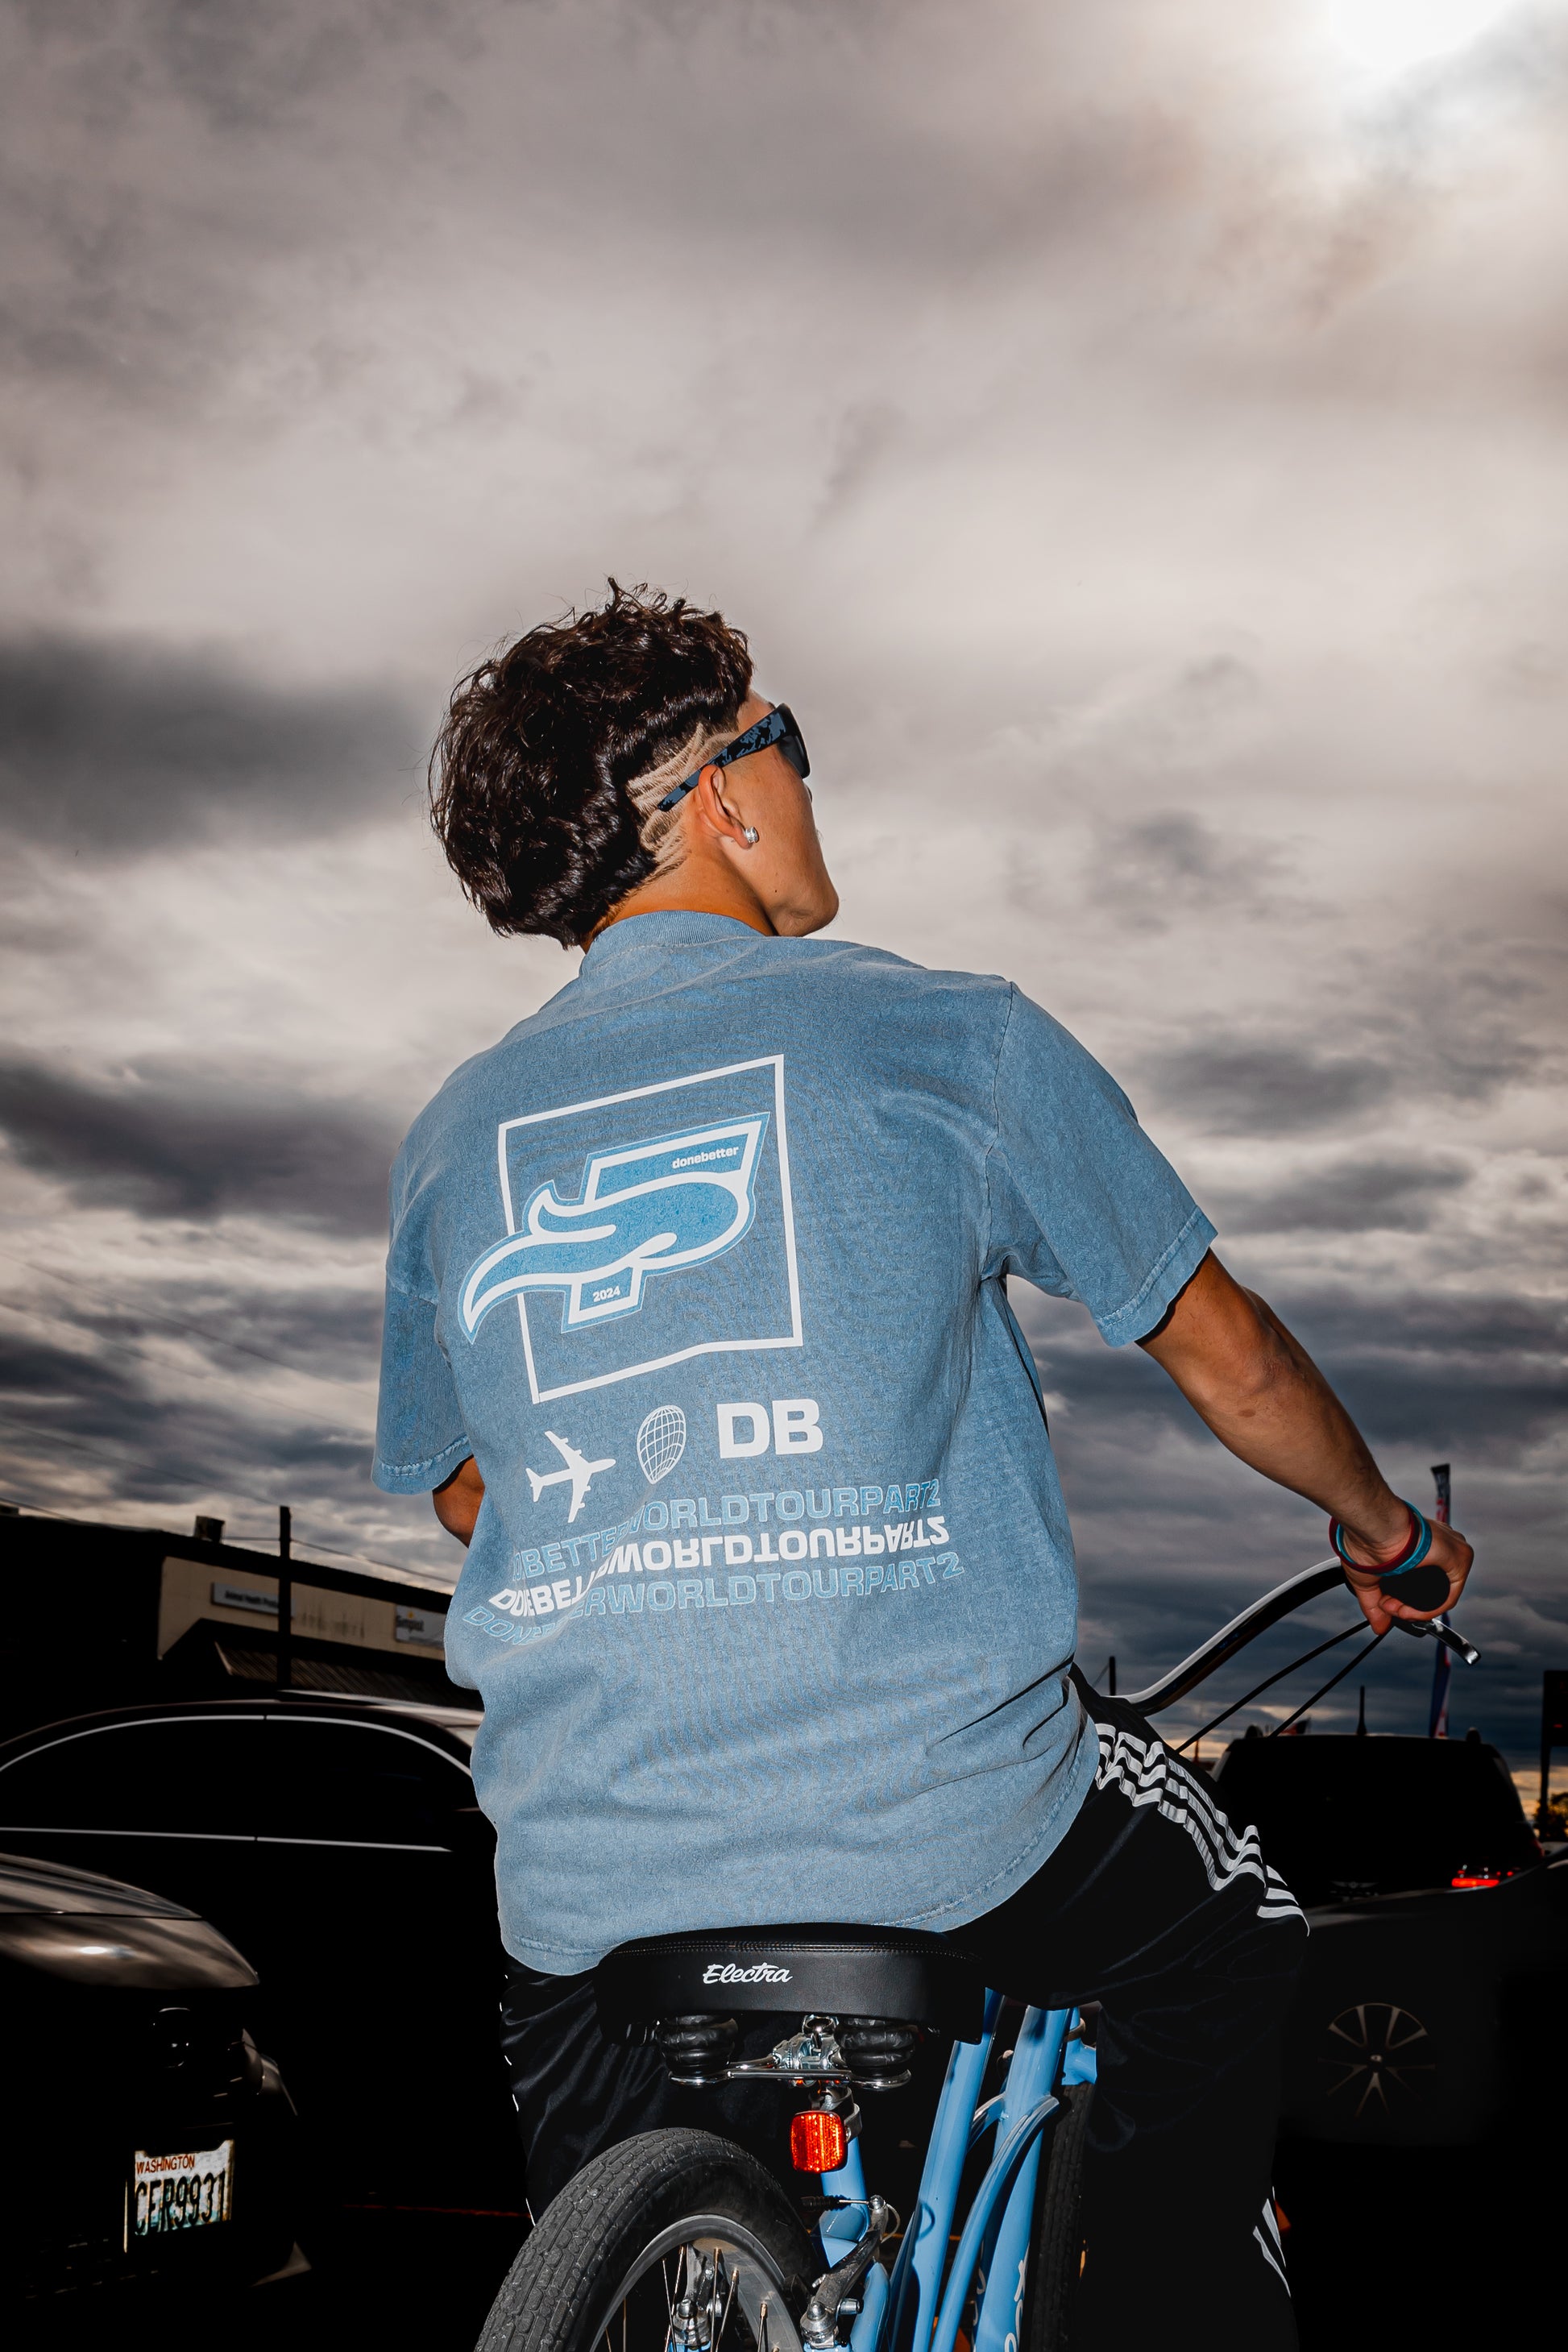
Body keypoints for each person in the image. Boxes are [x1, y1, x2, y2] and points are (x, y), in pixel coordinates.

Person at [373, 583, 1471, 2347]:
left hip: (588, 1874)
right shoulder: (946, 1035)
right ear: (714, 792)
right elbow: (1230, 1355)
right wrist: (1384, 1531)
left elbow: (456, 1486)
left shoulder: (456, 1136)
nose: (805, 778)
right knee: (1240, 1932)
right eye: (784, 741)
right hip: (946, 1822)